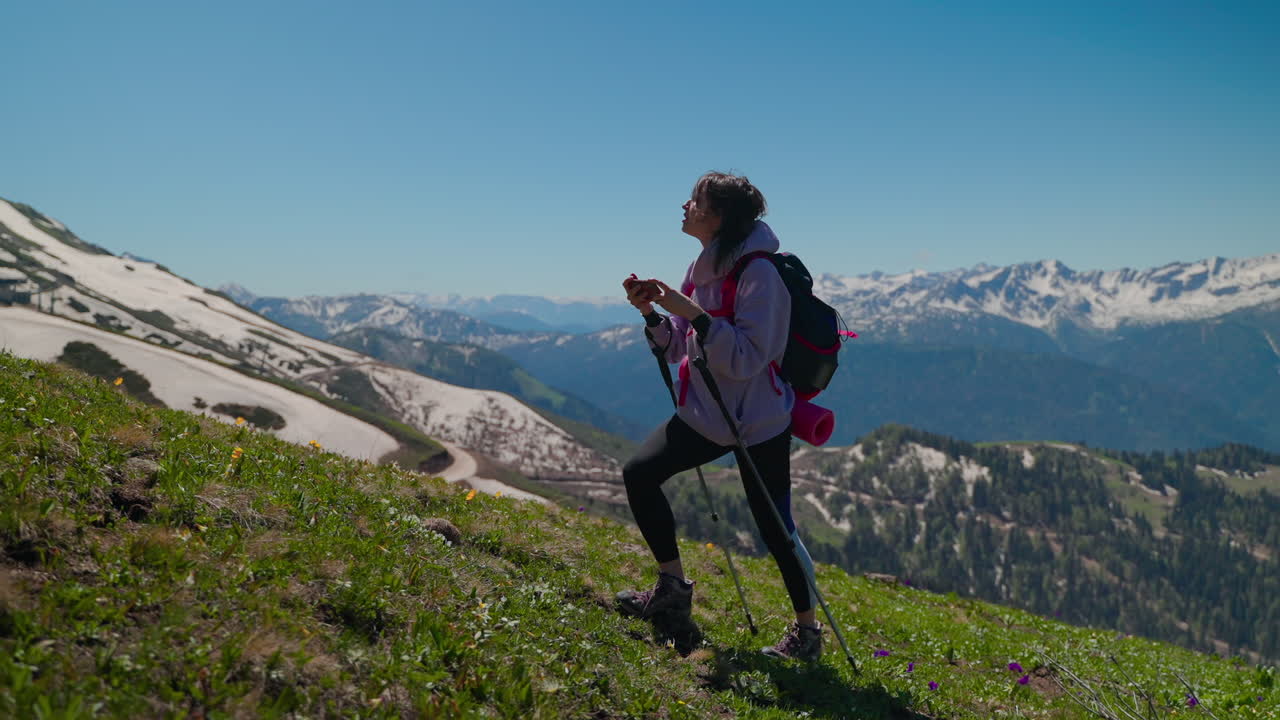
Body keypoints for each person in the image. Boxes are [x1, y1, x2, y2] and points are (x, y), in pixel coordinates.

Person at [615, 171, 824, 662]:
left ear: (718, 216)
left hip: (759, 421)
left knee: (775, 527)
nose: (684, 206)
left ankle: (808, 636)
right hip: (707, 412)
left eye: (695, 201)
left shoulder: (760, 274)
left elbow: (750, 358)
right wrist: (652, 315)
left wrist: (695, 314)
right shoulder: (701, 266)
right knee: (639, 474)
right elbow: (677, 349)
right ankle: (671, 586)